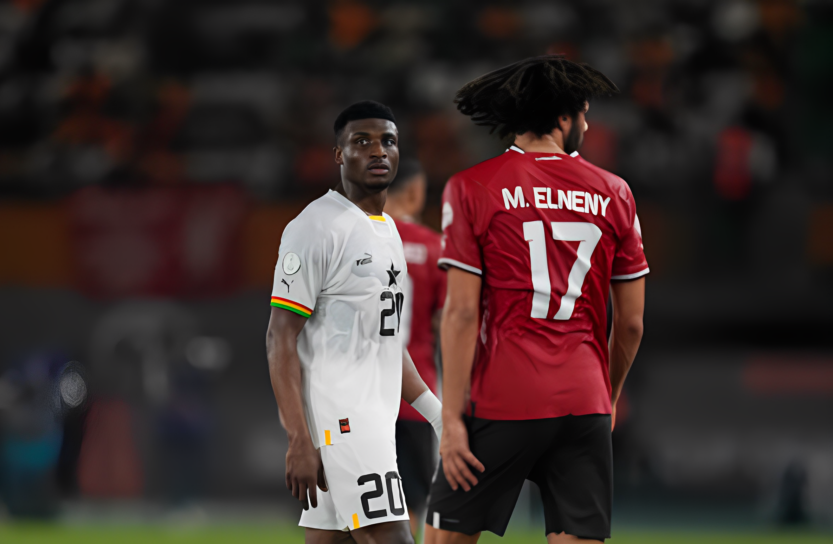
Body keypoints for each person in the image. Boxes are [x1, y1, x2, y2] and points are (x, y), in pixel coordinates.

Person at [424, 56, 648, 544]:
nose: (587, 125)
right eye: (584, 114)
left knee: (443, 540)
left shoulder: (471, 187)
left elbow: (461, 313)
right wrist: (605, 396)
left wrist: (453, 418)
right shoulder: (616, 193)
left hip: (504, 398)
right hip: (585, 403)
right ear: (563, 118)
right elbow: (630, 325)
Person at [266, 101, 443, 544]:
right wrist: (298, 439)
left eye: (387, 141)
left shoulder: (387, 232)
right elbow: (280, 336)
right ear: (339, 154)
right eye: (361, 142)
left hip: (372, 421)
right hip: (344, 425)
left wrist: (437, 416)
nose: (378, 151)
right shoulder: (315, 226)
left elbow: (386, 342)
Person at [383, 159, 447, 539]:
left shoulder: (356, 239)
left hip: (360, 389)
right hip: (415, 392)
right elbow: (447, 321)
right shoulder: (433, 246)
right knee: (409, 498)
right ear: (415, 192)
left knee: (359, 493)